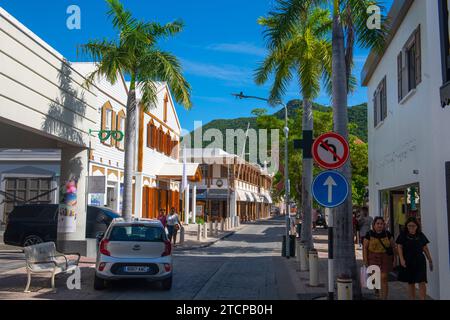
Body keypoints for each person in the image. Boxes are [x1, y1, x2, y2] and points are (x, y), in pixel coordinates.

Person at [396, 217, 433, 300]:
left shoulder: (420, 235)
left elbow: (425, 248)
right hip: (408, 260)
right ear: (406, 226)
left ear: (417, 226)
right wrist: (401, 259)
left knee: (422, 281)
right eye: (409, 226)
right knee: (411, 282)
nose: (411, 228)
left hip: (420, 260)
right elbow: (399, 247)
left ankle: (422, 298)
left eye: (413, 226)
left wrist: (430, 259)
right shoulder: (403, 235)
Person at [363, 217, 397, 300]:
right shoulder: (369, 234)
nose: (379, 225)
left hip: (385, 258)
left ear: (384, 225)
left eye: (381, 224)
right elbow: (365, 248)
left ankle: (384, 298)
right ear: (374, 225)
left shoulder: (388, 234)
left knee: (384, 278)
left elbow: (393, 247)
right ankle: (376, 289)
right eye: (377, 224)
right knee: (374, 278)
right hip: (373, 258)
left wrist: (395, 259)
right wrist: (365, 260)